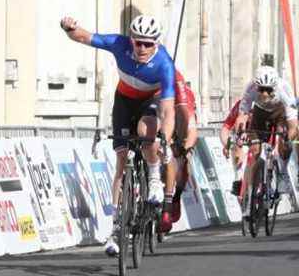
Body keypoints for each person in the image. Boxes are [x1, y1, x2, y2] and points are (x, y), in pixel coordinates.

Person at [61, 15, 175, 256]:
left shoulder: (164, 63)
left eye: (148, 44)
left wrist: (165, 136)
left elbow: (167, 108)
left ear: (156, 43)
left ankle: (154, 178)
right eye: (138, 43)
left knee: (147, 132)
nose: (142, 48)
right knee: (121, 164)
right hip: (123, 102)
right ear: (131, 41)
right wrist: (68, 27)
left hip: (150, 103)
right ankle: (114, 231)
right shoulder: (119, 44)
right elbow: (84, 36)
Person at [234, 66, 298, 197]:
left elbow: (293, 124)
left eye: (268, 90)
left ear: (274, 87)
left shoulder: (284, 89)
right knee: (255, 150)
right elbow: (242, 115)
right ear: (256, 85)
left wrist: (287, 139)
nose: (264, 94)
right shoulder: (250, 87)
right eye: (261, 89)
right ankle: (250, 192)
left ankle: (283, 173)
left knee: (283, 138)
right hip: (260, 113)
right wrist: (240, 133)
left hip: (280, 113)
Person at [160, 69, 199, 232]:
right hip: (160, 116)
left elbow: (192, 132)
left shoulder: (186, 99)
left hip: (180, 126)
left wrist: (185, 149)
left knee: (182, 160)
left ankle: (175, 197)